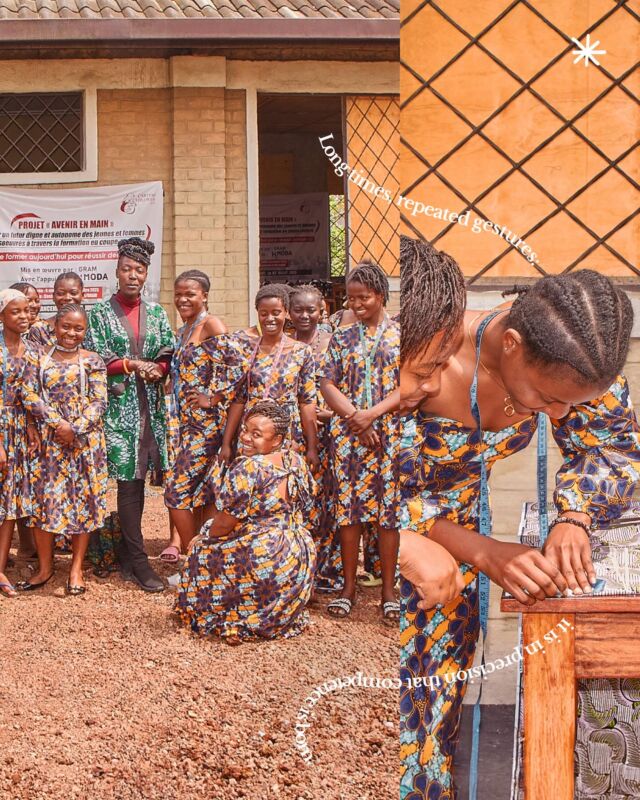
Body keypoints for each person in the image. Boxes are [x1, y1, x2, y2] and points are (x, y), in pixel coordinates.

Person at [399, 268, 640, 800]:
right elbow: (355, 483)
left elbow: (614, 447)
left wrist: (574, 514)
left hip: (451, 577)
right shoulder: (417, 357)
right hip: (396, 557)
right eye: (548, 398)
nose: (559, 415)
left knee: (430, 729)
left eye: (571, 405)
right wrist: (482, 550)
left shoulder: (576, 358)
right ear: (511, 344)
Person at [175, 400, 316, 643]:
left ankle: (231, 618)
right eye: (245, 430)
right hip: (298, 553)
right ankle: (274, 612)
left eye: (257, 434)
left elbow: (224, 524)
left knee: (201, 550)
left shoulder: (249, 467)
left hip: (266, 552)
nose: (247, 438)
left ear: (278, 440)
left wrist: (205, 535)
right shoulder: (296, 461)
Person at [87, 237, 174, 593]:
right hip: (117, 411)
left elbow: (168, 350)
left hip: (149, 408)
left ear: (146, 274)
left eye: (139, 270)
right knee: (126, 480)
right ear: (116, 270)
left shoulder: (156, 313)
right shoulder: (99, 314)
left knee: (138, 481)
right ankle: (138, 562)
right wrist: (131, 364)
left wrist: (160, 368)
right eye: (126, 268)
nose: (132, 275)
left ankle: (128, 552)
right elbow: (94, 356)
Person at [319, 261, 400, 622]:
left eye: (363, 298)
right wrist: (356, 417)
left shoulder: (402, 336)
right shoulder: (342, 337)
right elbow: (327, 384)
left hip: (388, 436)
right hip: (350, 438)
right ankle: (348, 588)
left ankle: (388, 592)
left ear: (381, 295)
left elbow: (409, 387)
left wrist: (373, 415)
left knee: (388, 515)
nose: (356, 305)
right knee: (349, 512)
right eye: (351, 299)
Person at [17, 304, 108, 595]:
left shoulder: (93, 361)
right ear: (55, 326)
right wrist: (59, 425)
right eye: (66, 326)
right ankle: (45, 568)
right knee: (44, 503)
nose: (71, 333)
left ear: (85, 330)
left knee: (82, 502)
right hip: (48, 443)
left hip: (84, 444)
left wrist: (76, 427)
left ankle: (76, 568)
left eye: (78, 328)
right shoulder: (38, 358)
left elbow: (99, 401)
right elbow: (28, 394)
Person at [163, 270, 243, 554]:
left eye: (190, 294)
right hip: (186, 426)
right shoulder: (185, 329)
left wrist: (215, 396)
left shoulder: (211, 324)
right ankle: (207, 558)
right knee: (204, 492)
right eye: (178, 295)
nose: (182, 299)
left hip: (207, 427)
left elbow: (240, 366)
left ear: (204, 296)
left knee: (175, 492)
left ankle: (192, 557)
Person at [220, 284, 319, 470]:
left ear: (286, 313)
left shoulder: (301, 352)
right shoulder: (246, 350)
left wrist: (312, 446)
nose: (270, 318)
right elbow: (239, 400)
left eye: (276, 312)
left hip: (286, 432)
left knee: (283, 486)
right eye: (264, 313)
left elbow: (307, 402)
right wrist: (226, 443)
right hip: (252, 432)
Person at [289, 284, 340, 592]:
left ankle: (328, 571)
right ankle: (298, 567)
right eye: (298, 310)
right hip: (295, 435)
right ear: (288, 313)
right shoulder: (283, 343)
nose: (305, 316)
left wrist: (333, 413)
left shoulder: (335, 344)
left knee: (328, 503)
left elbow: (351, 388)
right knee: (299, 499)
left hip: (331, 435)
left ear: (323, 311)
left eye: (311, 310)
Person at [0, 289, 32, 598]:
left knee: (10, 501)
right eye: (15, 311)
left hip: (21, 432)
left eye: (26, 311)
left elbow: (32, 395)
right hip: (1, 429)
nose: (23, 316)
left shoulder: (31, 348)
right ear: (1, 316)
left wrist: (32, 429)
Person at [27, 272, 85, 349]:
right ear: (53, 296)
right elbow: (34, 358)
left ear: (82, 296)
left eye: (73, 293)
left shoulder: (91, 327)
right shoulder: (39, 329)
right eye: (61, 293)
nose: (67, 297)